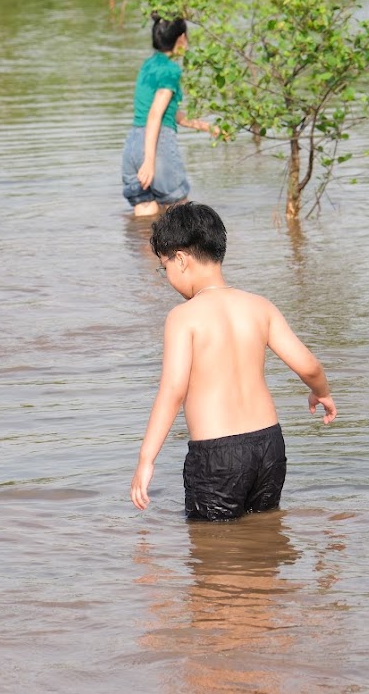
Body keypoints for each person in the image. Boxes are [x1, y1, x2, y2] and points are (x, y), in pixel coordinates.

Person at [130, 202, 335, 521]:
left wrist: (146, 459)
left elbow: (172, 392)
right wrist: (321, 392)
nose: (166, 276)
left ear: (181, 259)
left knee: (213, 550)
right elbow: (309, 366)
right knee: (265, 535)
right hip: (269, 446)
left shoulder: (183, 318)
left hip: (218, 454)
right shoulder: (260, 307)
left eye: (164, 267)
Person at [121, 15, 218, 217]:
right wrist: (150, 161)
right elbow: (155, 114)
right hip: (156, 147)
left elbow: (169, 113)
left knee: (146, 219)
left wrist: (207, 127)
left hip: (133, 145)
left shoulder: (148, 65)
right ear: (181, 38)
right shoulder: (170, 70)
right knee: (182, 215)